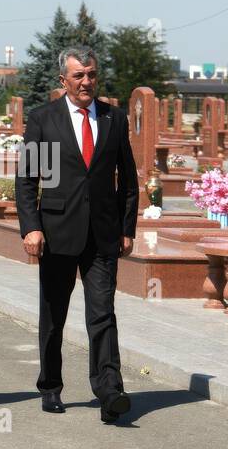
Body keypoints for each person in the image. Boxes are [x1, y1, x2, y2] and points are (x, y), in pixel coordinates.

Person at [16, 46, 139, 424]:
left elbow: (129, 182)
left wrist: (126, 228)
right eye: (79, 76)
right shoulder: (44, 121)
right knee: (53, 315)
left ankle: (109, 391)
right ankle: (51, 385)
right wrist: (32, 227)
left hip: (102, 236)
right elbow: (27, 181)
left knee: (102, 315)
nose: (86, 82)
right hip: (57, 233)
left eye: (91, 74)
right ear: (63, 81)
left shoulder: (114, 119)